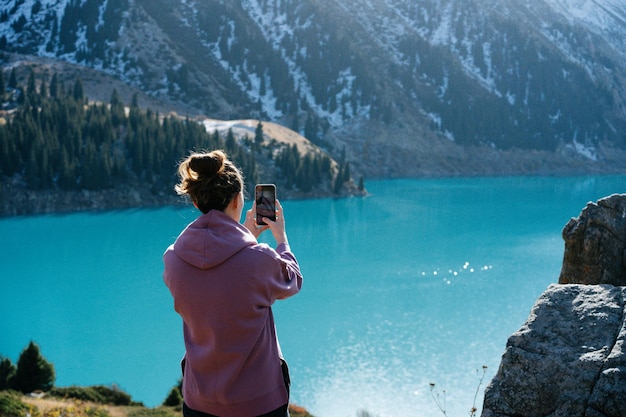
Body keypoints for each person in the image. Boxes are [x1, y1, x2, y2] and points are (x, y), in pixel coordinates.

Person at [163, 150, 303, 417]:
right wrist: (280, 237)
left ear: (196, 202)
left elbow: (217, 278)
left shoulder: (173, 259)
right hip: (259, 403)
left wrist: (245, 238)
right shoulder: (258, 258)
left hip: (199, 402)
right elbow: (291, 280)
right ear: (239, 199)